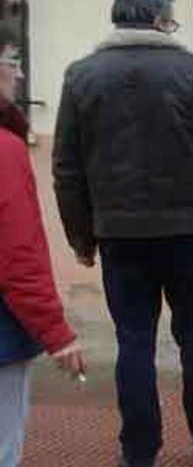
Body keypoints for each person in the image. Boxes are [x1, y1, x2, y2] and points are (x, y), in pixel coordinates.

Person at [52, 0, 193, 467]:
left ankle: (138, 452)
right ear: (160, 19)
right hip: (192, 231)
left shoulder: (82, 76)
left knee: (133, 343)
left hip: (119, 235)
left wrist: (81, 236)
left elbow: (67, 166)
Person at [0, 26, 86, 467]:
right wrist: (57, 334)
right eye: (12, 64)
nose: (17, 76)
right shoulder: (6, 149)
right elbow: (17, 254)